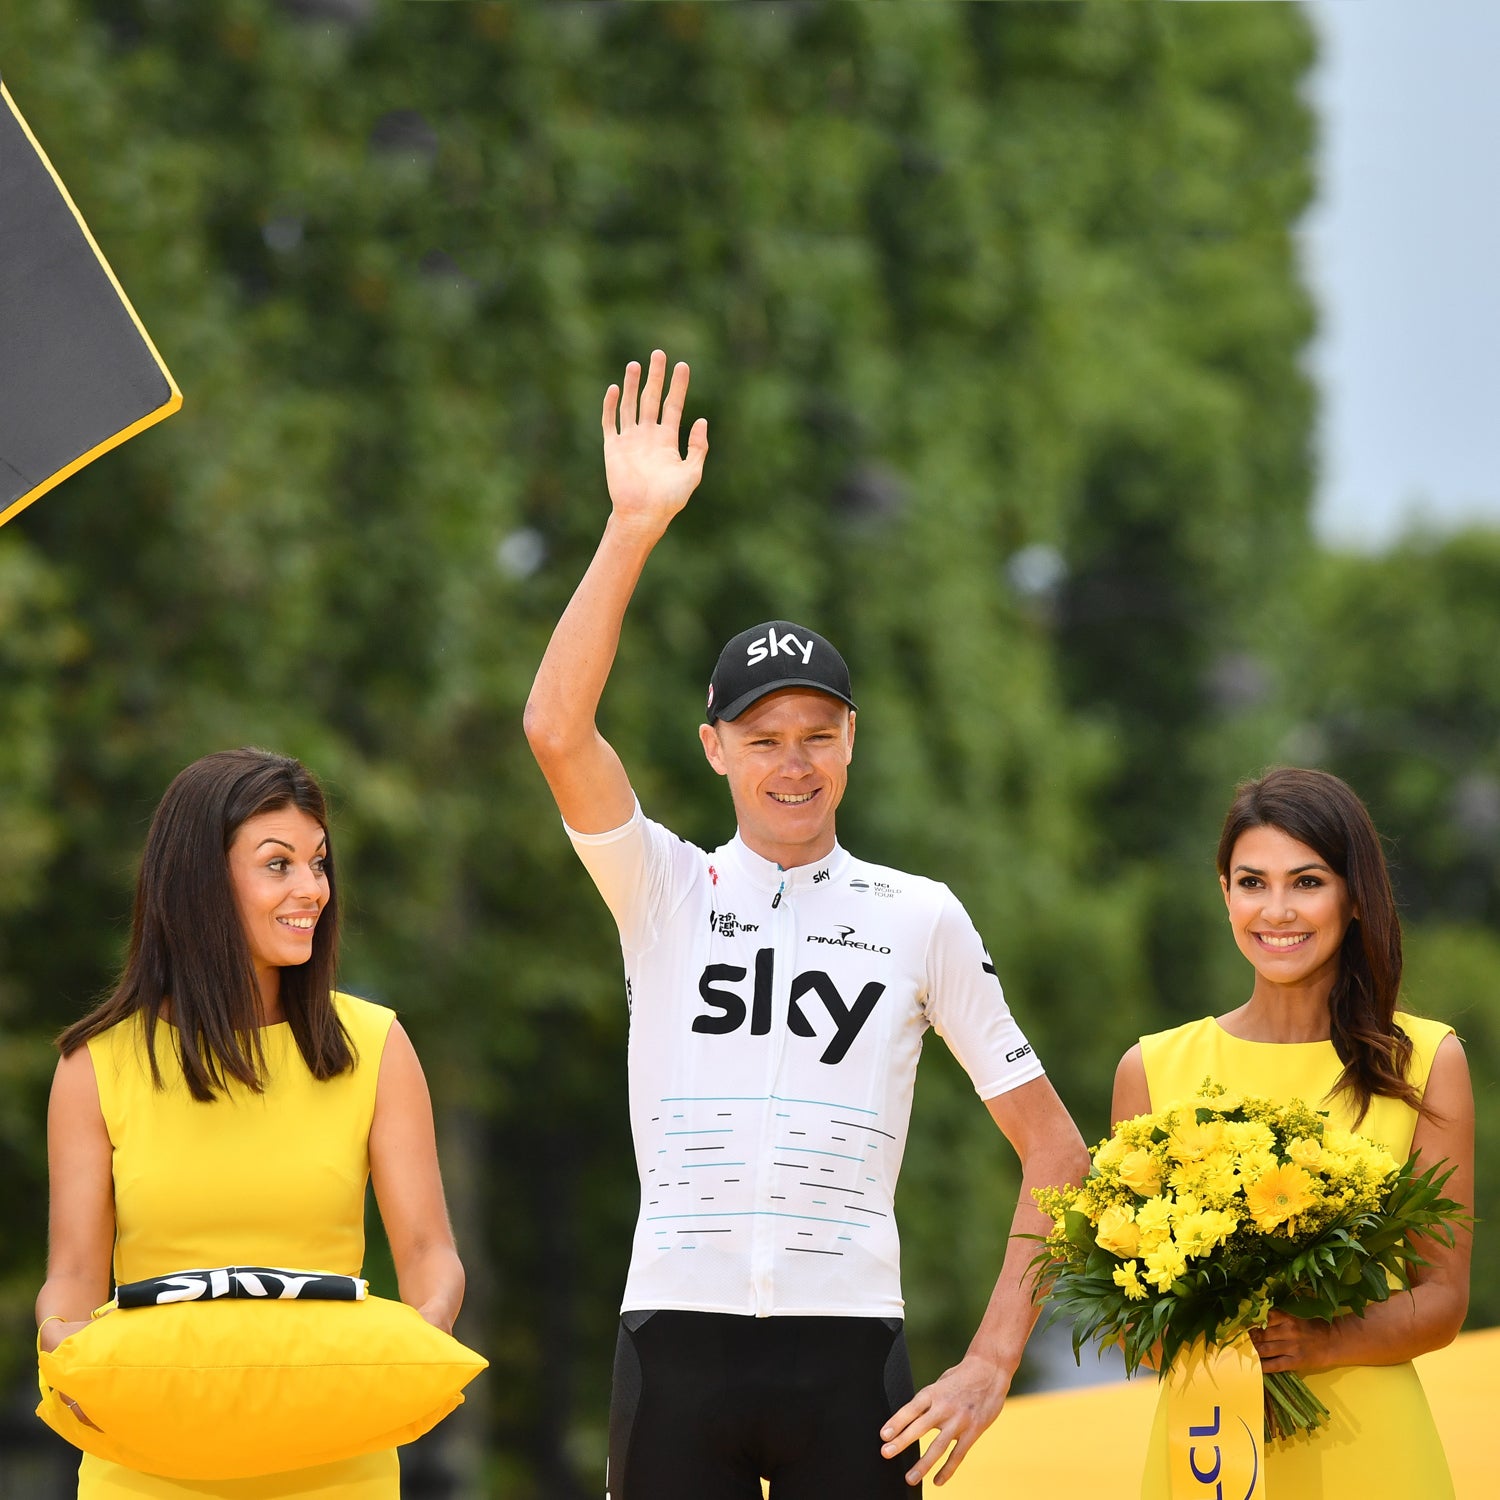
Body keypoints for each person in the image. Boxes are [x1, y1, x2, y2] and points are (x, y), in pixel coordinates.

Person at [524, 349, 1089, 1497]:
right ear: (714, 748)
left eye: (818, 734)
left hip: (848, 1350)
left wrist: (991, 1359)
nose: (794, 763)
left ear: (852, 742)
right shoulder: (664, 886)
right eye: (765, 736)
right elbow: (554, 729)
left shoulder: (918, 914)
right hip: (673, 1337)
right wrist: (632, 526)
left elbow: (1059, 1155)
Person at [36, 748, 466, 1499]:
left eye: (319, 863)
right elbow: (71, 1279)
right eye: (279, 865)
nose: (313, 890)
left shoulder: (375, 1047)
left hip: (339, 1465)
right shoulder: (92, 1069)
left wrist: (419, 1347)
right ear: (200, 883)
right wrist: (63, 1346)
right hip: (144, 1467)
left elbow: (431, 1253)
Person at [1113, 766, 1474, 1499]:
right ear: (1225, 894)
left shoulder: (1428, 1060)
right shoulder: (1150, 1068)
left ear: (1354, 899)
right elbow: (1126, 1312)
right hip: (1206, 1456)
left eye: (1307, 882)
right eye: (1252, 882)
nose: (1277, 910)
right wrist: (1197, 1331)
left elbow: (1443, 1297)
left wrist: (1322, 1340)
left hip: (1374, 1458)